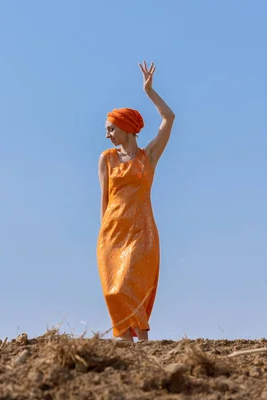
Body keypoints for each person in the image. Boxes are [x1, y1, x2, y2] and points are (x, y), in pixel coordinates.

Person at [96, 61, 175, 342]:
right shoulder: (106, 159)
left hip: (142, 232)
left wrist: (149, 91)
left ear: (127, 129)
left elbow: (169, 119)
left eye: (111, 129)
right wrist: (103, 236)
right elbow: (104, 199)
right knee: (113, 289)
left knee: (131, 283)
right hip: (113, 232)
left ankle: (143, 344)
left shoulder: (148, 157)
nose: (107, 134)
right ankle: (130, 350)